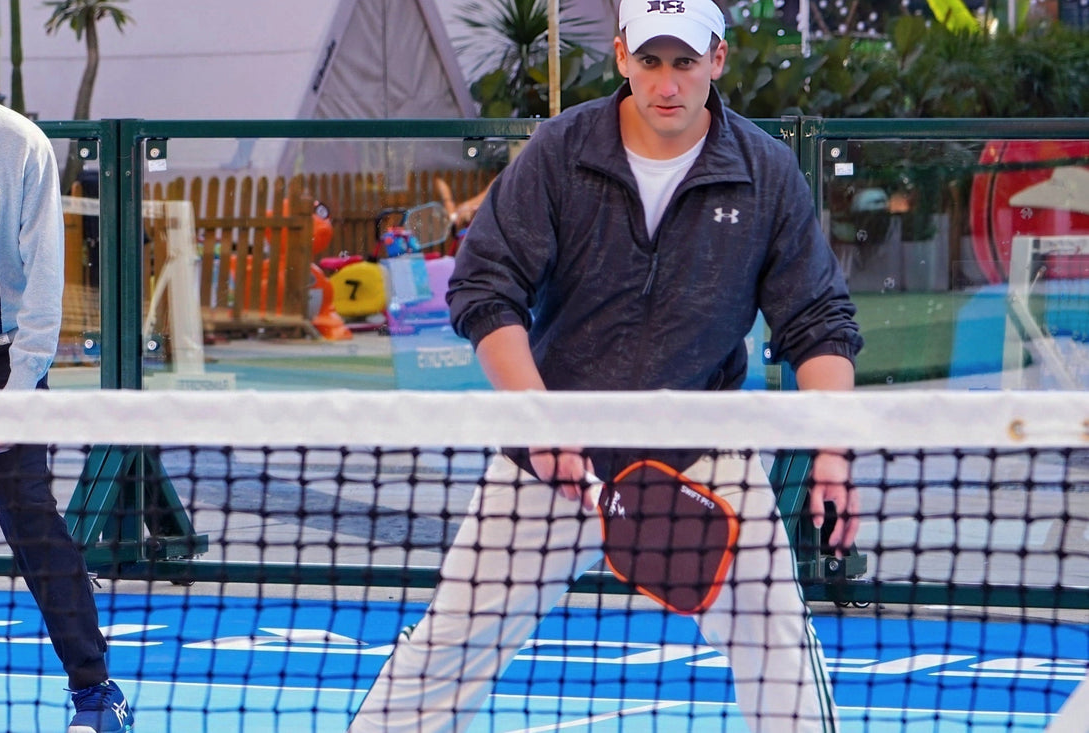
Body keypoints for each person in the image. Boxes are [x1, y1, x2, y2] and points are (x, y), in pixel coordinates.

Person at [349, 0, 862, 730]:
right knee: (447, 648)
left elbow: (818, 321)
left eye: (685, 62)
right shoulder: (560, 151)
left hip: (701, 452)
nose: (667, 83)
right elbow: (484, 287)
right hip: (550, 453)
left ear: (717, 61)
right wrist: (541, 420)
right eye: (650, 60)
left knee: (778, 646)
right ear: (621, 56)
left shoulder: (766, 174)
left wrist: (832, 451)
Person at [0, 99, 135, 732]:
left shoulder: (20, 145)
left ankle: (97, 691)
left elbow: (46, 283)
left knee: (31, 525)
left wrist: (18, 393)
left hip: (5, 363)